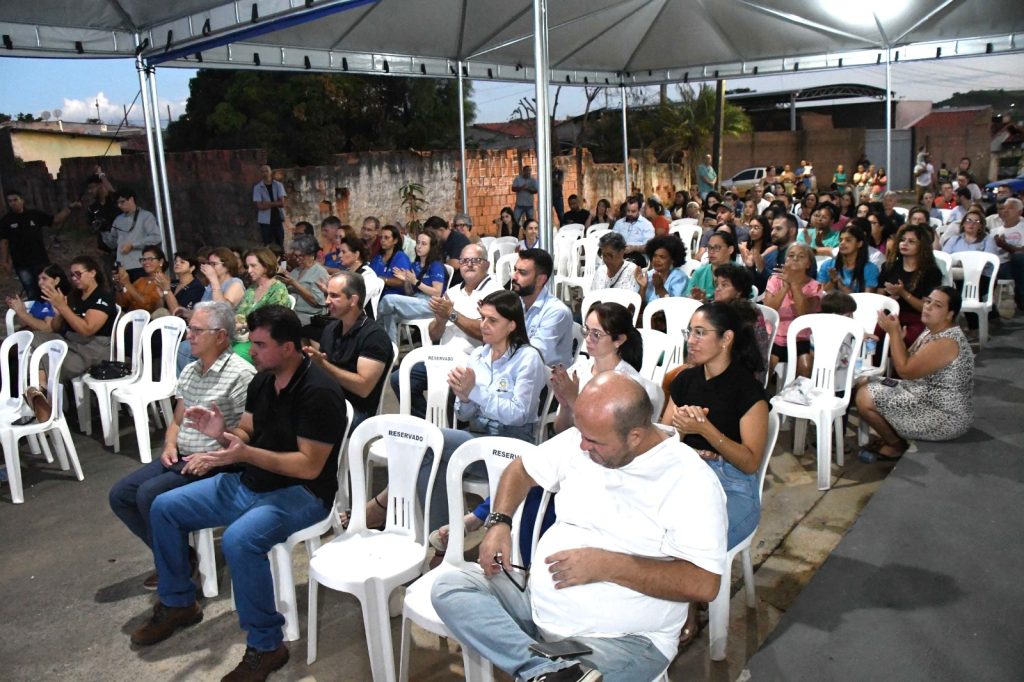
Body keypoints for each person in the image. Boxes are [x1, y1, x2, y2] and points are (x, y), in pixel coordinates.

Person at [431, 372, 727, 682]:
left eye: (594, 440)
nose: (582, 445)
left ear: (635, 436)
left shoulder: (691, 482)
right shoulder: (582, 440)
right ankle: (544, 669)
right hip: (536, 607)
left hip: (624, 641)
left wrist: (606, 565)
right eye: (581, 434)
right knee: (450, 588)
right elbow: (520, 469)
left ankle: (546, 669)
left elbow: (703, 584)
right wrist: (499, 522)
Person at [130, 306, 347, 681]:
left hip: (303, 494)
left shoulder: (319, 392)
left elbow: (309, 466)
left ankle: (267, 646)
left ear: (290, 347)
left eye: (261, 345)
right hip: (253, 479)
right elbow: (246, 429)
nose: (253, 351)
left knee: (239, 541)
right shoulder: (263, 381)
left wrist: (243, 454)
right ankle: (179, 601)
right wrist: (223, 436)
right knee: (164, 506)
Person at [108, 302, 256, 588]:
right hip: (182, 455)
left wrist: (219, 439)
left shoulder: (240, 374)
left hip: (214, 459)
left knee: (149, 494)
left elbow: (248, 432)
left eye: (198, 330)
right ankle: (178, 557)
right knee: (120, 494)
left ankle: (175, 577)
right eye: (190, 329)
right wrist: (169, 444)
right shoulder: (190, 370)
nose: (190, 335)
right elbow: (176, 420)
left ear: (221, 336)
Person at [662, 301, 769, 646]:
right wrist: (684, 440)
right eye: (689, 332)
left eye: (699, 333)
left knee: (691, 538)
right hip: (686, 475)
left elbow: (750, 463)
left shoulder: (748, 392)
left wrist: (707, 431)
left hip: (733, 486)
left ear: (725, 340)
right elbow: (663, 437)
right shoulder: (685, 381)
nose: (691, 340)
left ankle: (689, 609)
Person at [855, 286, 974, 461]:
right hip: (920, 392)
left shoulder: (947, 341)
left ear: (950, 314)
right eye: (928, 301)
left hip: (943, 414)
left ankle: (895, 445)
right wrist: (899, 339)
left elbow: (905, 371)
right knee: (864, 381)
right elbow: (910, 360)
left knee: (865, 396)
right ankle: (896, 435)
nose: (928, 306)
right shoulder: (932, 331)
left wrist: (894, 333)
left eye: (938, 305)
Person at [389, 243, 502, 418]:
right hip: (442, 360)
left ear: (486, 264)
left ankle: (451, 429)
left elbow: (486, 334)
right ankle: (427, 424)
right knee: (400, 378)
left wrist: (452, 314)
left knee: (451, 394)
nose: (469, 265)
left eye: (475, 260)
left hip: (474, 364)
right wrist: (441, 321)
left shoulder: (495, 292)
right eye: (464, 261)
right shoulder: (453, 292)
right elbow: (434, 334)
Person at [305, 272, 393, 429]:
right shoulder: (332, 328)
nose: (327, 301)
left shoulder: (374, 336)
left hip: (355, 411)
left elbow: (363, 388)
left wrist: (323, 365)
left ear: (353, 300)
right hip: (329, 399)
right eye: (327, 295)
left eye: (334, 296)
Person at [550, 301, 646, 435]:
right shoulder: (579, 370)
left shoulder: (628, 384)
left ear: (619, 340)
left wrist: (573, 400)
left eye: (596, 334)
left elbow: (604, 438)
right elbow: (560, 430)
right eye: (586, 330)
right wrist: (565, 406)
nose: (588, 339)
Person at [32, 255, 116, 382]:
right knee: (34, 337)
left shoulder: (102, 297)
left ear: (92, 273)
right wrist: (59, 312)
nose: (74, 278)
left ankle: (42, 391)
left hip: (91, 348)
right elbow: (55, 328)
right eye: (72, 275)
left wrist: (63, 307)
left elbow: (87, 330)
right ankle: (41, 390)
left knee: (47, 361)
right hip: (70, 341)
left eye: (78, 274)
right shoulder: (73, 296)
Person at [0, 190, 77, 300]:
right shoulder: (6, 220)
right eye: (10, 201)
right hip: (21, 263)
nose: (13, 203)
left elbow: (55, 219)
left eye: (15, 200)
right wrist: (4, 261)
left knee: (48, 287)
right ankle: (36, 314)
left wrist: (69, 208)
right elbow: (4, 242)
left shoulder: (34, 215)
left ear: (22, 200)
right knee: (31, 290)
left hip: (40, 260)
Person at [375, 229, 448, 339]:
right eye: (418, 242)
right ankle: (392, 349)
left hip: (432, 304)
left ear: (431, 247)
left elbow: (437, 292)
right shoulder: (416, 265)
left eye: (423, 244)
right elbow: (410, 293)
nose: (419, 246)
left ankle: (372, 322)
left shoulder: (436, 265)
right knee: (389, 315)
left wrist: (416, 282)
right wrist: (406, 281)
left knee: (388, 299)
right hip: (417, 301)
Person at [879, 223, 942, 349]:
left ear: (922, 246)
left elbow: (925, 307)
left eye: (911, 241)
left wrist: (903, 293)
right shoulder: (889, 267)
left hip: (917, 318)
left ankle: (905, 367)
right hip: (891, 315)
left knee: (908, 337)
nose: (904, 243)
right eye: (902, 240)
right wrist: (888, 299)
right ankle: (880, 368)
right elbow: (879, 294)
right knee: (878, 336)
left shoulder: (931, 272)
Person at [764, 242, 822, 378]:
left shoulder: (814, 286)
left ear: (808, 264)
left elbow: (804, 314)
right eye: (791, 255)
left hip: (800, 338)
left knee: (806, 366)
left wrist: (794, 284)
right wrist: (784, 288)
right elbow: (769, 310)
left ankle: (796, 397)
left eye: (801, 256)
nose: (795, 258)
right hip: (774, 336)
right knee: (766, 368)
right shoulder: (775, 280)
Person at [511, 248, 574, 367]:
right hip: (520, 369)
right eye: (515, 270)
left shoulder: (556, 311)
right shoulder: (517, 301)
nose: (514, 277)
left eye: (522, 273)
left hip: (549, 379)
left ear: (540, 280)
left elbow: (533, 356)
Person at [232, 249, 292, 364]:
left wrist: (244, 325)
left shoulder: (278, 289)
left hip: (262, 341)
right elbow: (240, 313)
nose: (249, 270)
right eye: (247, 266)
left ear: (266, 265)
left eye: (253, 266)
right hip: (242, 336)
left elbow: (275, 322)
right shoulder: (252, 289)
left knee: (234, 356)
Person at [108, 188, 162, 281]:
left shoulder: (146, 216)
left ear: (131, 199)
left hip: (140, 265)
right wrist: (103, 231)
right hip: (122, 267)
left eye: (122, 202)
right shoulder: (117, 219)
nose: (120, 205)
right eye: (118, 203)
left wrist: (133, 245)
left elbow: (156, 237)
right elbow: (112, 243)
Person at [275, 234, 328, 326]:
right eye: (295, 256)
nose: (298, 259)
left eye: (301, 256)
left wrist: (294, 283)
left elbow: (317, 302)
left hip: (309, 319)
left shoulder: (319, 272)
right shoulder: (296, 270)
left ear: (311, 255)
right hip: (292, 314)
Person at [4, 264, 71, 333]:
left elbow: (48, 329)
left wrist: (22, 313)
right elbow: (24, 323)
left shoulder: (62, 300)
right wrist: (17, 308)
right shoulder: (40, 301)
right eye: (39, 279)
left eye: (44, 278)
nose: (40, 282)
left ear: (56, 280)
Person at [818, 224, 879, 294]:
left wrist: (840, 284)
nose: (842, 243)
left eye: (848, 240)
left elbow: (866, 300)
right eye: (840, 240)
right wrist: (832, 281)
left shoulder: (870, 269)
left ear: (859, 244)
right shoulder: (828, 265)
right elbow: (820, 295)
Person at [636, 234, 689, 308]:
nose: (656, 260)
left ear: (672, 260)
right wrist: (643, 288)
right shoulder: (648, 275)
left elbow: (674, 308)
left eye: (662, 257)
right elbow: (639, 308)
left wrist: (660, 288)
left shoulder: (679, 278)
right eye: (654, 256)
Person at [114, 245, 167, 313]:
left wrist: (127, 283)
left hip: (151, 321)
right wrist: (119, 286)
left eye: (150, 259)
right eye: (144, 259)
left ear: (161, 262)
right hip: (132, 318)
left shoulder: (164, 281)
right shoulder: (140, 280)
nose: (145, 262)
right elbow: (123, 303)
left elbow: (146, 305)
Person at [992, 197, 1024, 310]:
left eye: (1010, 208)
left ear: (1020, 212)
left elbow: (1022, 252)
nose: (1005, 211)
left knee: (1018, 258)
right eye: (1004, 208)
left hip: (1017, 264)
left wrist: (1004, 245)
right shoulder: (995, 232)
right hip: (1000, 264)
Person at [152, 252, 205, 317]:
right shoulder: (173, 283)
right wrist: (161, 296)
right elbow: (160, 310)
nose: (177, 263)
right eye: (175, 261)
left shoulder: (196, 287)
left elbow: (178, 313)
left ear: (192, 268)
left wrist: (166, 289)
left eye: (182, 262)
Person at [686, 231, 734, 301]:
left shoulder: (738, 273)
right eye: (709, 247)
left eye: (717, 247)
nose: (711, 251)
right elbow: (688, 298)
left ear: (730, 249)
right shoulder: (699, 273)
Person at [369, 224, 413, 297]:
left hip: (394, 297)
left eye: (386, 238)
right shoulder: (377, 258)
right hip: (376, 295)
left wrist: (384, 280)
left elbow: (402, 281)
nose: (382, 240)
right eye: (381, 237)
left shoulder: (401, 258)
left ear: (395, 240)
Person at [427, 215, 471, 286]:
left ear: (441, 230)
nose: (431, 237)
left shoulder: (458, 239)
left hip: (459, 284)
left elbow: (455, 264)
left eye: (432, 234)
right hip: (442, 281)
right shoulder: (439, 243)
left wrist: (436, 267)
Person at [253, 164, 287, 247]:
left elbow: (282, 203)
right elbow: (260, 206)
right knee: (267, 244)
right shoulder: (257, 187)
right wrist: (275, 203)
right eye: (262, 171)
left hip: (277, 218)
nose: (265, 173)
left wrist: (267, 203)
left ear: (270, 172)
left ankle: (282, 260)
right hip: (264, 220)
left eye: (266, 171)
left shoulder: (278, 185)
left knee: (280, 243)